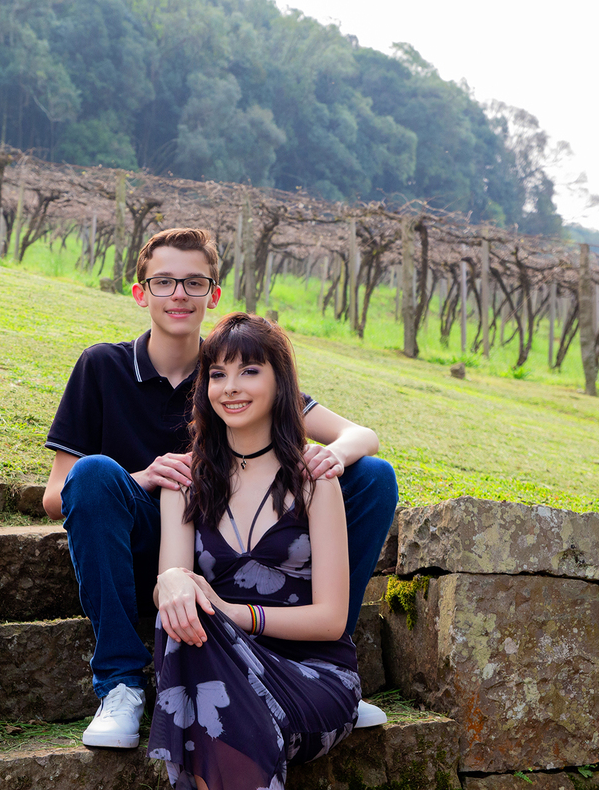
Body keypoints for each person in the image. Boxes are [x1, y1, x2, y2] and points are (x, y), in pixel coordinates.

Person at [42, 227, 398, 748]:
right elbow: (56, 496)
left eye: (194, 282)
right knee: (94, 472)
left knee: (373, 476)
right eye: (163, 282)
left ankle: (322, 662)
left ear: (214, 295)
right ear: (141, 293)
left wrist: (331, 456)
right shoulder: (102, 366)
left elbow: (360, 434)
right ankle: (120, 684)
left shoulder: (229, 368)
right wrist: (141, 478)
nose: (179, 295)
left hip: (222, 555)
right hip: (138, 543)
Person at [150, 312, 358, 790]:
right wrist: (172, 581)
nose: (231, 388)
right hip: (219, 661)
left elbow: (331, 619)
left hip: (310, 674)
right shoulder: (185, 480)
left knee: (215, 685)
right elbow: (171, 587)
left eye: (249, 371)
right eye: (217, 374)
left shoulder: (313, 481)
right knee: (183, 612)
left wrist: (232, 613)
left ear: (280, 382)